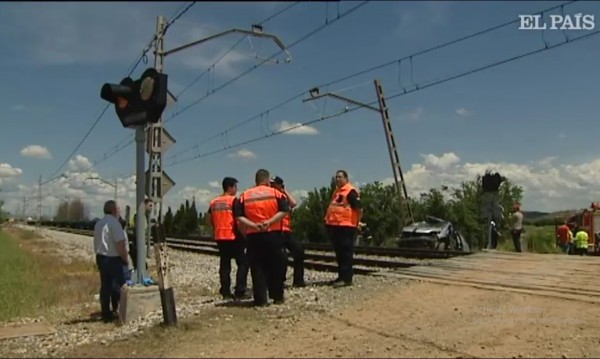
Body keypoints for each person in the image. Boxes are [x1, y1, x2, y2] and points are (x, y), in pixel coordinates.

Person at [234, 169, 289, 306]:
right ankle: (277, 297)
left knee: (257, 267)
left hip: (254, 235)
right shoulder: (276, 193)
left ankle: (260, 300)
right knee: (275, 266)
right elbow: (285, 210)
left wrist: (253, 224)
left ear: (256, 180)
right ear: (266, 180)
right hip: (273, 234)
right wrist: (269, 222)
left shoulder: (245, 195)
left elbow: (238, 215)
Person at [206, 177, 249, 300]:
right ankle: (240, 290)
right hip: (233, 236)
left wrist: (216, 228)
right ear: (230, 188)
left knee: (225, 265)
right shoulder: (233, 201)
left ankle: (225, 292)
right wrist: (244, 235)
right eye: (235, 187)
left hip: (220, 236)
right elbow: (239, 221)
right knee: (243, 263)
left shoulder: (214, 202)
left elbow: (208, 219)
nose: (236, 189)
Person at [325, 170, 362, 287]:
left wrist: (357, 222)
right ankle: (341, 276)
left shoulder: (350, 191)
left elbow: (359, 208)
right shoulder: (337, 192)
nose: (337, 179)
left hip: (347, 226)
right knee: (339, 253)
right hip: (336, 226)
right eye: (336, 177)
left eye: (340, 177)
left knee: (346, 253)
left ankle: (347, 279)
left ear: (346, 178)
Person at [93, 200, 129, 323]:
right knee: (122, 285)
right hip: (113, 258)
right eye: (118, 209)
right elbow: (120, 244)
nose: (119, 212)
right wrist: (125, 258)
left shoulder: (99, 224)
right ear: (114, 210)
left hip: (100, 257)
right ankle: (124, 312)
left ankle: (106, 313)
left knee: (105, 286)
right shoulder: (115, 224)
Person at [270, 176, 306, 288]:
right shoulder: (270, 196)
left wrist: (284, 190)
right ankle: (279, 281)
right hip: (275, 230)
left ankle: (298, 280)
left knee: (299, 251)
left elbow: (294, 203)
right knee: (281, 257)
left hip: (286, 230)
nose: (271, 186)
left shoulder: (283, 196)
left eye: (274, 184)